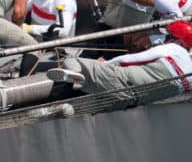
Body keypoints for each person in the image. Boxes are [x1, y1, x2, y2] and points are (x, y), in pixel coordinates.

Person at [47, 20, 192, 102]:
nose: (164, 39)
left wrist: (105, 64)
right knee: (87, 90)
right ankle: (80, 81)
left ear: (176, 39)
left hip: (121, 79)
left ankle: (76, 74)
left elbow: (130, 59)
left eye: (168, 36)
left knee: (72, 59)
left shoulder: (173, 48)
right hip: (133, 99)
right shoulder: (189, 70)